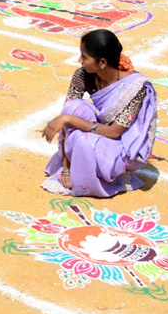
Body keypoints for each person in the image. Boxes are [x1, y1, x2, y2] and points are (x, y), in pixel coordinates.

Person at [42, 30, 157, 198]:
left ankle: (108, 171)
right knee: (73, 107)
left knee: (81, 140)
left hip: (120, 144)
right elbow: (68, 113)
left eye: (84, 56)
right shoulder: (82, 75)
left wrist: (68, 118)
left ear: (102, 62)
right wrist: (66, 168)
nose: (80, 60)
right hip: (98, 130)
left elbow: (114, 132)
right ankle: (80, 162)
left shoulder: (135, 87)